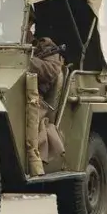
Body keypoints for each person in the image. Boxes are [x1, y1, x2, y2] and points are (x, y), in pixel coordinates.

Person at [25, 16, 64, 177]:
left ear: (29, 23)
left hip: (35, 99)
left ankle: (33, 161)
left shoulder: (43, 46)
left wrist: (24, 60)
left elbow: (52, 70)